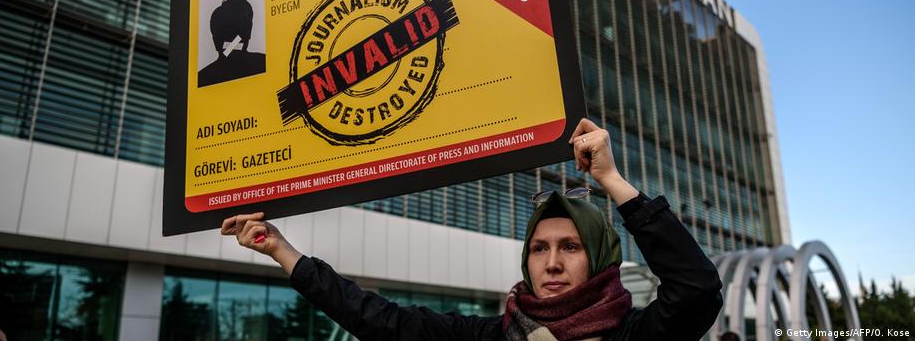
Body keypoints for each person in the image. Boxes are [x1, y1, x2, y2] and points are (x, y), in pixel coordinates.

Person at [223, 118, 722, 341]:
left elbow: (697, 289)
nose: (550, 263)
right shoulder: (493, 335)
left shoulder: (635, 334)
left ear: (599, 257)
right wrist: (283, 251)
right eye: (539, 248)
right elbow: (379, 320)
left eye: (570, 246)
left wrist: (610, 179)